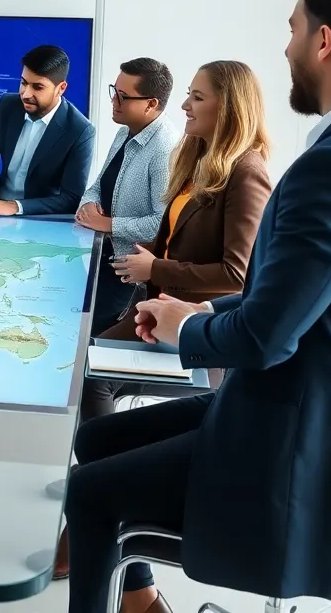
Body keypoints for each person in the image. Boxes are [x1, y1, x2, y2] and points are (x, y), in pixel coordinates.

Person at [65, 0, 331, 613]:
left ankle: (133, 601)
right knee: (95, 438)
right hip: (312, 399)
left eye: (293, 29)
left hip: (295, 436)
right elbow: (300, 300)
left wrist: (187, 326)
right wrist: (189, 310)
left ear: (324, 41)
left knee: (87, 492)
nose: (286, 46)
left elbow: (264, 338)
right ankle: (137, 595)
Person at [51, 60, 273, 582]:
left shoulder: (248, 170)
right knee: (79, 366)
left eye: (197, 97)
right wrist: (154, 263)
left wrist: (156, 266)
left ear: (228, 106)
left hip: (195, 325)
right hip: (154, 307)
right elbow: (166, 226)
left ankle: (103, 492)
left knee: (88, 377)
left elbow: (237, 276)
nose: (185, 105)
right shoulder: (196, 158)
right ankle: (104, 487)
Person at [75, 58, 181, 335]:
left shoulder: (164, 149)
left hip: (131, 278)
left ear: (151, 104)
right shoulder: (124, 132)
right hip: (103, 260)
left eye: (124, 96)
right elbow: (98, 185)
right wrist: (88, 207)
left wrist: (109, 224)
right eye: (114, 91)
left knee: (97, 347)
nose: (114, 101)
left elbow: (163, 224)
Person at [0, 45, 94, 217]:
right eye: (23, 83)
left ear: (61, 88)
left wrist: (15, 206)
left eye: (38, 87)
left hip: (41, 220)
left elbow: (71, 198)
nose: (26, 93)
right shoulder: (7, 106)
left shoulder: (80, 130)